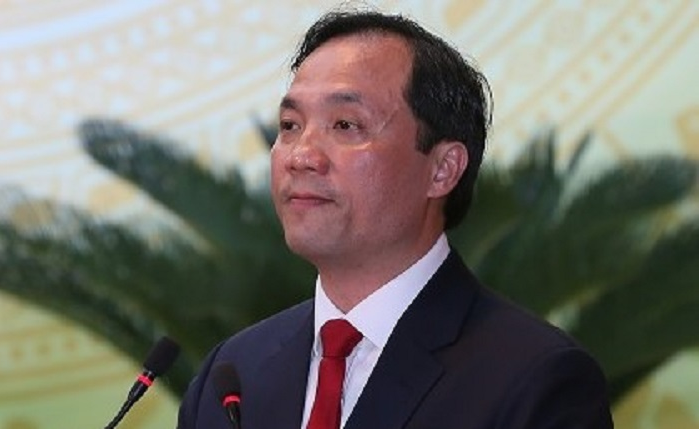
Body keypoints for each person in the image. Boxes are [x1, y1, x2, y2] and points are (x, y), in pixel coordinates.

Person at [177, 9, 613, 429]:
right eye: (290, 125)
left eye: (345, 125)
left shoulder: (535, 380)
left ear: (442, 169)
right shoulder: (232, 374)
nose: (301, 155)